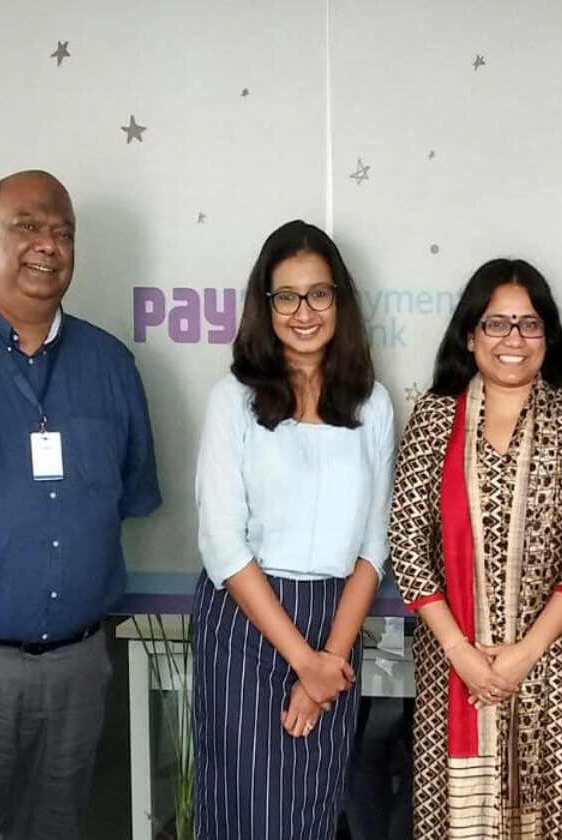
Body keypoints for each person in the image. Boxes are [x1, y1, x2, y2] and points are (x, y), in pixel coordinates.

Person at [0, 170, 161, 839]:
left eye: (63, 232)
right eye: (29, 226)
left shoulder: (110, 365)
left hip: (75, 674)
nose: (49, 243)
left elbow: (127, 496)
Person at [389, 258, 562, 840]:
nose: (513, 339)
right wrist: (461, 652)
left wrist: (524, 654)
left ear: (547, 336)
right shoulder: (434, 419)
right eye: (496, 323)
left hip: (557, 672)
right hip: (454, 672)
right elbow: (407, 544)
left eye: (529, 324)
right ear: (470, 336)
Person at [191, 220, 394, 840]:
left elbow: (374, 546)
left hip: (335, 624)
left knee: (312, 812)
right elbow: (222, 542)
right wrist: (305, 662)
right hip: (248, 624)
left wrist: (329, 659)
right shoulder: (233, 398)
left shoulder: (372, 404)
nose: (304, 312)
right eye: (287, 296)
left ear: (340, 300)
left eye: (318, 294)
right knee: (248, 813)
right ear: (266, 304)